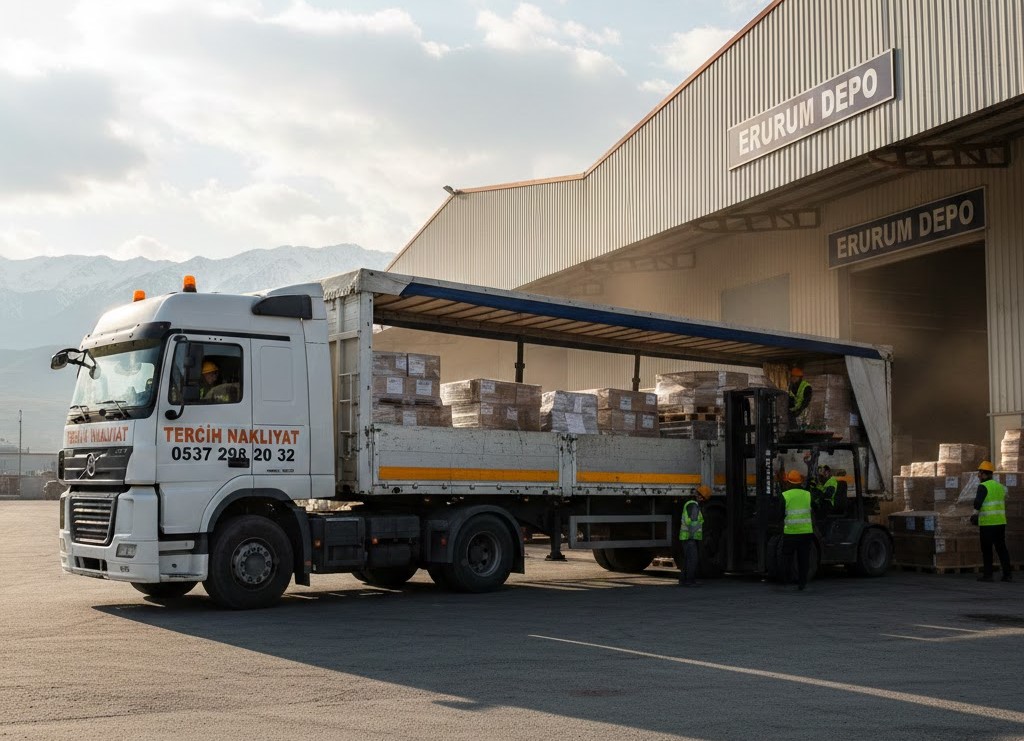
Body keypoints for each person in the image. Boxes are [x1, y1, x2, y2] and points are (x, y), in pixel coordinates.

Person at [974, 460, 1012, 582]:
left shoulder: (983, 486)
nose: (978, 476)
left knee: (987, 550)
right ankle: (1007, 575)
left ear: (984, 473)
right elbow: (1005, 501)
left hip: (987, 524)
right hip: (1000, 523)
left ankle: (988, 575)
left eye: (979, 473)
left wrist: (974, 516)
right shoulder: (1000, 487)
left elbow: (977, 503)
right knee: (1002, 549)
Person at [781, 469, 814, 591]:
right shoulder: (808, 494)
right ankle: (802, 583)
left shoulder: (785, 495)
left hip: (790, 533)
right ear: (800, 482)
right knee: (803, 559)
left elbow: (779, 513)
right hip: (806, 533)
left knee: (787, 558)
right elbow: (813, 508)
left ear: (789, 482)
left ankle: (786, 580)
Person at [678, 485, 711, 587]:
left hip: (687, 537)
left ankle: (683, 580)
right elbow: (692, 523)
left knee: (687, 559)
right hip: (690, 537)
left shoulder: (691, 504)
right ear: (700, 496)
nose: (703, 501)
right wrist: (693, 536)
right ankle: (690, 581)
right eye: (704, 499)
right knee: (693, 559)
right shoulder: (693, 506)